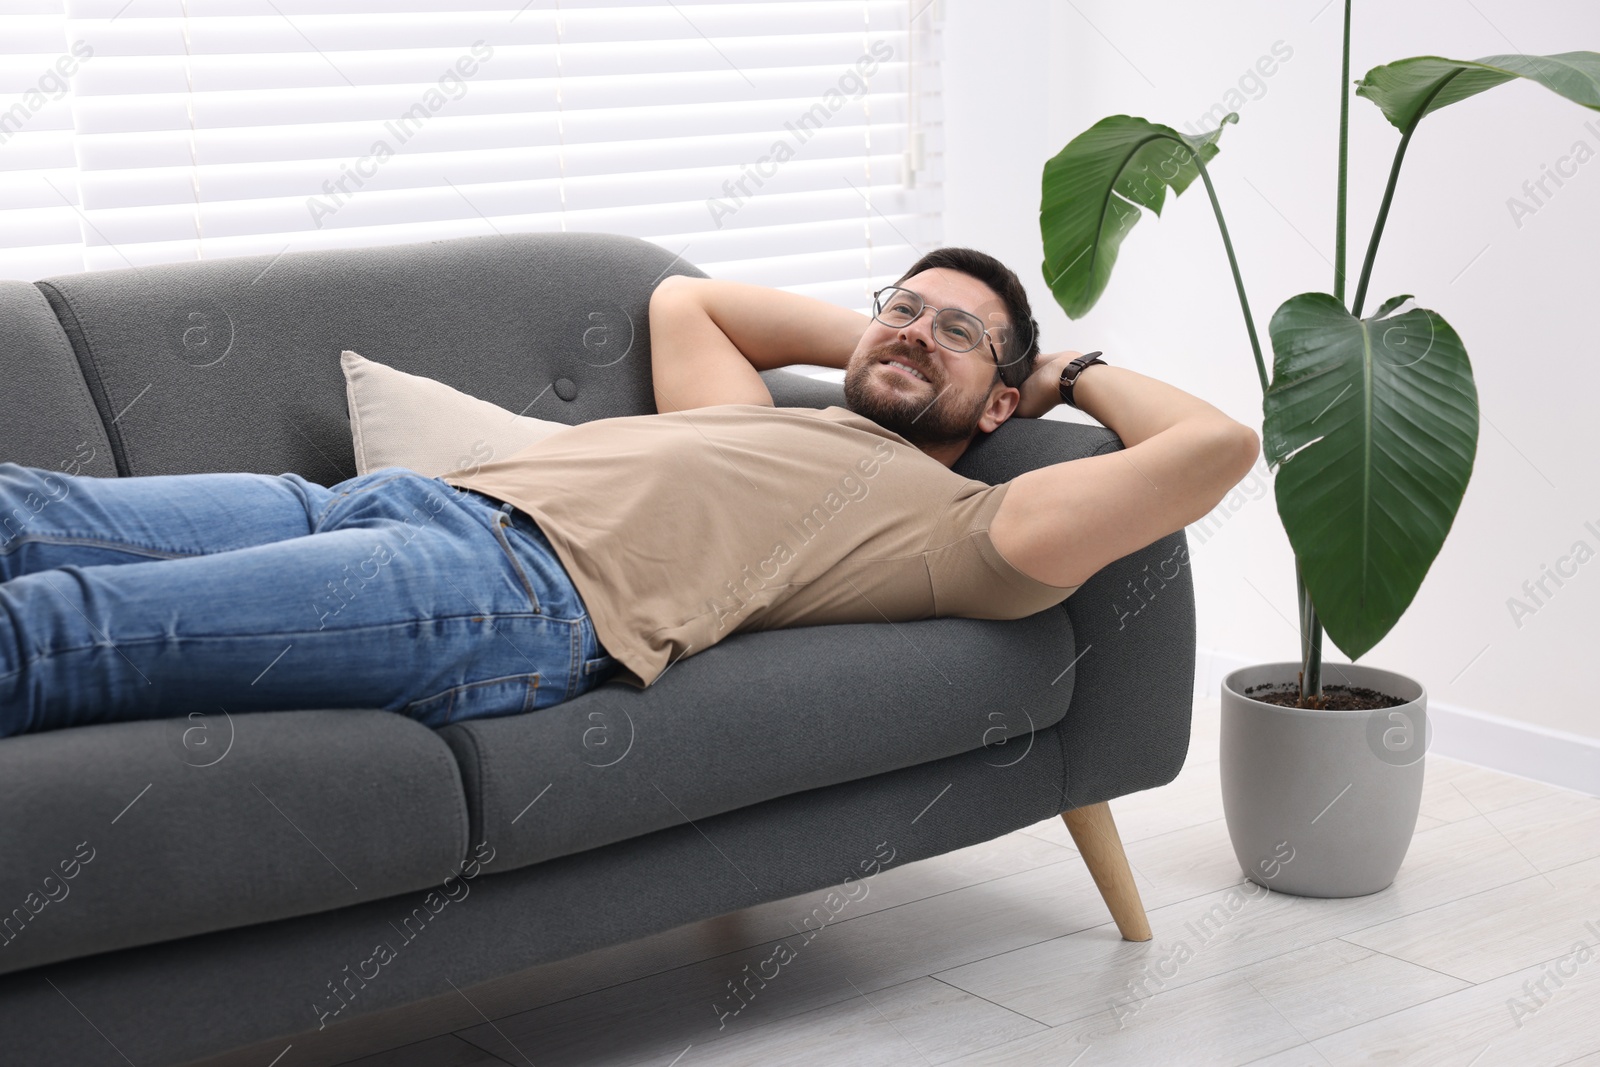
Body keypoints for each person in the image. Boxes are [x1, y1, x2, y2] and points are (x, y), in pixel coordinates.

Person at [0, 247, 1258, 738]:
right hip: (391, 503)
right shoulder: (752, 418)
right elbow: (687, 300)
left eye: (956, 334)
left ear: (999, 404)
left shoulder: (965, 528)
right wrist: (899, 338)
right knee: (20, 510)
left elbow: (1213, 449)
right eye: (903, 307)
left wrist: (1064, 374)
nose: (916, 331)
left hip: (507, 594)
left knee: (56, 636)